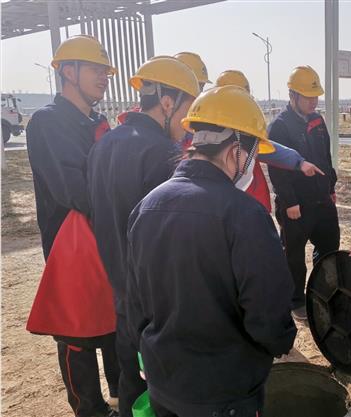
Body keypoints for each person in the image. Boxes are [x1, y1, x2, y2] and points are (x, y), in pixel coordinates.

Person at [126, 85, 296, 417]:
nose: (252, 166)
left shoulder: (147, 206)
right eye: (253, 156)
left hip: (164, 384)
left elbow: (135, 302)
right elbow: (267, 311)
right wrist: (281, 341)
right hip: (224, 393)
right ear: (236, 151)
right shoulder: (245, 215)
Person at [87, 56, 200, 417]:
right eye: (187, 110)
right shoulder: (162, 154)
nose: (187, 123)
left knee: (132, 386)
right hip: (158, 305)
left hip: (122, 295)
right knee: (165, 395)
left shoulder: (105, 144)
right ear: (167, 102)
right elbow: (170, 242)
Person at [25, 34, 119, 417]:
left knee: (114, 322)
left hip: (105, 235)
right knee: (76, 332)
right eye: (96, 69)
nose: (103, 77)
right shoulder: (48, 122)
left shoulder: (98, 122)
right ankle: (89, 409)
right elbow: (72, 189)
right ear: (68, 71)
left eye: (105, 70)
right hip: (70, 243)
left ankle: (123, 397)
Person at [267, 66, 340, 321]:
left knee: (329, 247)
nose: (313, 101)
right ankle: (296, 300)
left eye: (315, 96)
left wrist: (331, 187)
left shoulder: (317, 121)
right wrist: (289, 202)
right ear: (293, 95)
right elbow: (276, 167)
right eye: (308, 96)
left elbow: (326, 156)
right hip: (296, 204)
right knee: (294, 256)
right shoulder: (280, 126)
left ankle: (320, 292)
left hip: (322, 198)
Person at [215, 69, 325, 211]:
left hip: (252, 203)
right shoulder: (215, 136)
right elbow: (274, 165)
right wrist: (290, 201)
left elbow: (267, 149)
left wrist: (299, 162)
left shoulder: (243, 131)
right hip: (231, 206)